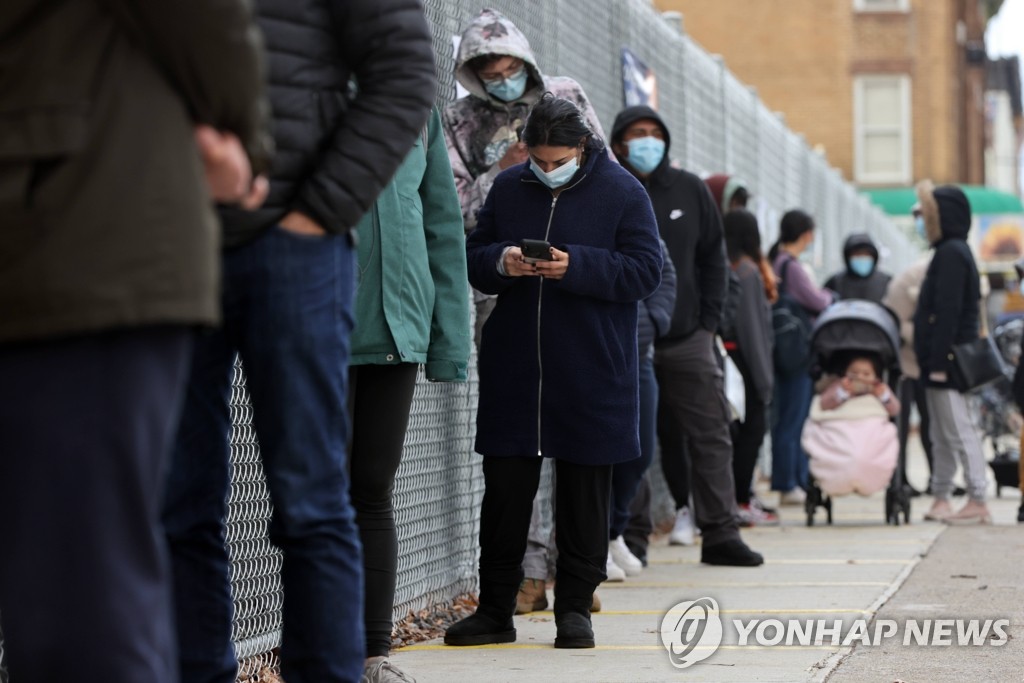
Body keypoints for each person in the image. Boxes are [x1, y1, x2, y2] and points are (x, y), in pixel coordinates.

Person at [161, 2, 438, 681]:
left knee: (312, 495)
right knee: (175, 498)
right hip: (165, 241)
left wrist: (318, 213)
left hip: (295, 243)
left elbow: (404, 72)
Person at [0, 0, 270, 679]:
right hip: (65, 223)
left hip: (78, 226)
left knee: (84, 574)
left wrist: (242, 140)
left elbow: (202, 23)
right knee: (63, 575)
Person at [445, 95, 662, 650]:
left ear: (582, 147)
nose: (545, 169)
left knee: (585, 492)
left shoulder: (622, 191)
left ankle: (574, 611)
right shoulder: (509, 186)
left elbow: (644, 271)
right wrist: (503, 262)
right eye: (537, 160)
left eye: (556, 159)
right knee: (504, 496)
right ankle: (495, 610)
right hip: (516, 365)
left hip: (592, 368)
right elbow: (475, 256)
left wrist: (576, 265)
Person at [443, 7, 609, 616]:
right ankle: (529, 573)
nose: (501, 78)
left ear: (526, 61)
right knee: (520, 444)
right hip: (508, 296)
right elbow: (458, 208)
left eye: (509, 66)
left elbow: (602, 174)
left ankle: (578, 574)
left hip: (577, 287)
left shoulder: (566, 94)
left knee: (580, 432)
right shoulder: (462, 121)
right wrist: (507, 176)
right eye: (487, 69)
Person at [610, 104, 763, 567]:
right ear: (618, 142)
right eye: (637, 133)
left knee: (711, 432)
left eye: (656, 133)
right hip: (629, 340)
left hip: (686, 338)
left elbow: (714, 259)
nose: (648, 141)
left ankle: (719, 533)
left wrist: (708, 324)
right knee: (630, 438)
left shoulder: (690, 189)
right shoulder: (611, 189)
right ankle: (629, 535)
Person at [349, 107, 471, 683]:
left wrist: (449, 341)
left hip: (395, 331)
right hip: (316, 329)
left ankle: (374, 655)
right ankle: (316, 646)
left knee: (372, 490)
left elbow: (442, 226)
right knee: (312, 493)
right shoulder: (301, 86)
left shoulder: (415, 108)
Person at [913, 181, 992, 524]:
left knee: (958, 429)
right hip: (940, 361)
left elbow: (948, 311)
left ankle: (977, 498)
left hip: (948, 361)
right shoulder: (953, 251)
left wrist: (939, 360)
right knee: (940, 432)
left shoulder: (951, 254)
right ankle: (941, 495)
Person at [608, 240, 677, 576]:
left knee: (641, 451)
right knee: (594, 453)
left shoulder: (634, 206)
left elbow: (664, 272)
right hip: (596, 352)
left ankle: (612, 532)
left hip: (639, 354)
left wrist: (654, 319)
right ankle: (596, 541)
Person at [769, 210, 836, 506]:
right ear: (807, 234)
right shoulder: (791, 267)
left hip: (781, 350)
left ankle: (791, 479)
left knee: (786, 416)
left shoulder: (775, 261)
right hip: (796, 353)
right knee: (792, 418)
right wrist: (830, 296)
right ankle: (788, 483)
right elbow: (817, 300)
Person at [723, 210, 779, 526]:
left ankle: (739, 497)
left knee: (733, 434)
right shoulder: (747, 272)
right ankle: (741, 500)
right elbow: (753, 331)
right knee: (752, 431)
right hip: (746, 363)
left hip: (727, 360)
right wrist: (764, 381)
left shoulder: (725, 266)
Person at [802, 354, 901, 497]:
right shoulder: (838, 386)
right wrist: (843, 393)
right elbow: (824, 404)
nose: (860, 377)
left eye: (866, 374)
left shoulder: (879, 389)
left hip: (870, 429)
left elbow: (895, 409)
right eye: (854, 373)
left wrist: (883, 396)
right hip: (840, 428)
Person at [883, 249, 936, 496]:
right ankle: (899, 479)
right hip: (904, 366)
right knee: (900, 426)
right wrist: (925, 334)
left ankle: (937, 477)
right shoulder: (905, 282)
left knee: (932, 424)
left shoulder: (941, 277)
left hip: (928, 364)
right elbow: (893, 320)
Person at [824, 233, 892, 303]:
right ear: (847, 257)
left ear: (874, 256)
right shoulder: (835, 282)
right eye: (857, 254)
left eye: (866, 254)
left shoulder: (887, 282)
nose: (862, 258)